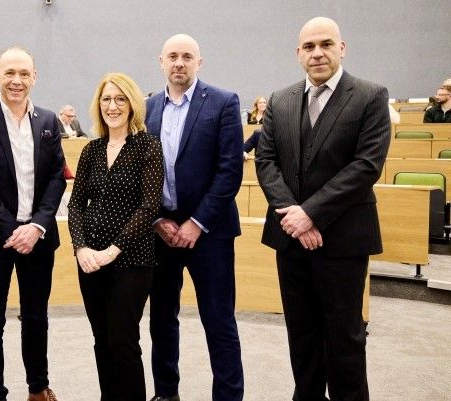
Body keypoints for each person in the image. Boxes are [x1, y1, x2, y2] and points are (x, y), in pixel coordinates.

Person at [255, 17, 391, 401]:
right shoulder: (280, 99)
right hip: (290, 239)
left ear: (341, 48)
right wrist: (294, 216)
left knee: (345, 337)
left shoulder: (369, 95)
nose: (317, 53)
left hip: (344, 240)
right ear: (298, 53)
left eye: (326, 44)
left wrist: (310, 213)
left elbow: (366, 165)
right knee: (302, 333)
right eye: (309, 47)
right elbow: (266, 161)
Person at [0, 46, 65, 401]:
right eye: (10, 73)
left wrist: (36, 226)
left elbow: (56, 178)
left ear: (34, 77)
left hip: (38, 239)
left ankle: (38, 387)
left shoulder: (49, 121)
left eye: (24, 74)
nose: (16, 81)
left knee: (36, 317)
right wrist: (11, 229)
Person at [145, 34, 245, 401]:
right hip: (161, 232)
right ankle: (165, 393)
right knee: (161, 320)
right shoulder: (149, 107)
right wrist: (156, 219)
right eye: (172, 56)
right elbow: (143, 171)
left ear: (199, 62)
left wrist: (196, 223)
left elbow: (230, 170)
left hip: (210, 234)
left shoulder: (222, 102)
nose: (179, 63)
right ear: (161, 61)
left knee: (218, 322)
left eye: (187, 56)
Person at [68, 72, 163, 401]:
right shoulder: (91, 150)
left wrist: (113, 249)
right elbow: (76, 204)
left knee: (123, 340)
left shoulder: (147, 147)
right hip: (90, 261)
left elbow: (150, 205)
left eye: (120, 98)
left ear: (132, 104)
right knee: (101, 340)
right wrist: (80, 248)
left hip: (132, 260)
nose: (113, 105)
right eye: (107, 99)